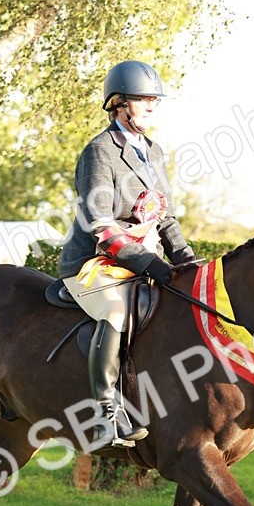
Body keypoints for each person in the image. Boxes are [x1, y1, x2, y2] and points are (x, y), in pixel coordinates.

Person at [59, 60, 198, 449]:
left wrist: (185, 259)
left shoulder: (152, 151)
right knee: (117, 312)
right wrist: (153, 263)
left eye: (155, 100)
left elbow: (164, 213)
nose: (152, 106)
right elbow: (100, 227)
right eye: (143, 100)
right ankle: (104, 414)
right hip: (93, 264)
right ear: (118, 103)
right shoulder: (99, 152)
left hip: (140, 259)